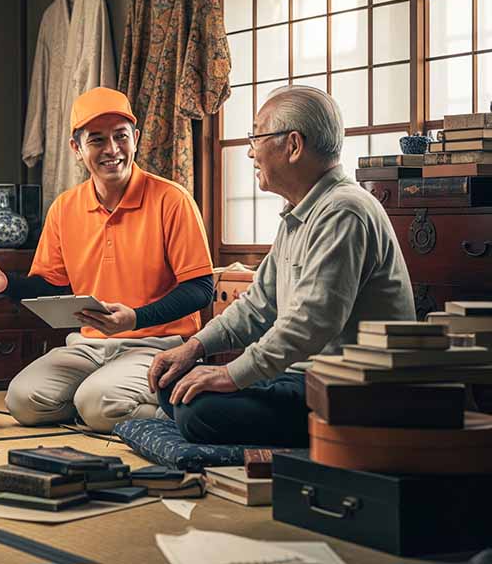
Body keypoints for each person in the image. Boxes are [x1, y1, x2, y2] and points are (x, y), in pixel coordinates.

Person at [148, 85, 414, 446]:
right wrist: (194, 347)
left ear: (293, 145)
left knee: (198, 412)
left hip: (347, 390)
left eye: (256, 136)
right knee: (174, 386)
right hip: (301, 378)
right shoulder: (299, 211)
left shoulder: (344, 211)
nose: (249, 152)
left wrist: (229, 375)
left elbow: (310, 323)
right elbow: (258, 306)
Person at [0, 87, 214, 433]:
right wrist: (5, 284)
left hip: (157, 345)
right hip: (89, 346)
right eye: (97, 140)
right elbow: (52, 283)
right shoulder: (65, 207)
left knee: (97, 404)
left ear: (135, 139)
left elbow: (200, 289)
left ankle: (174, 411)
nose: (112, 150)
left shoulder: (172, 200)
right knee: (23, 400)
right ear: (77, 149)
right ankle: (104, 403)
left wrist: (135, 318)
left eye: (121, 137)